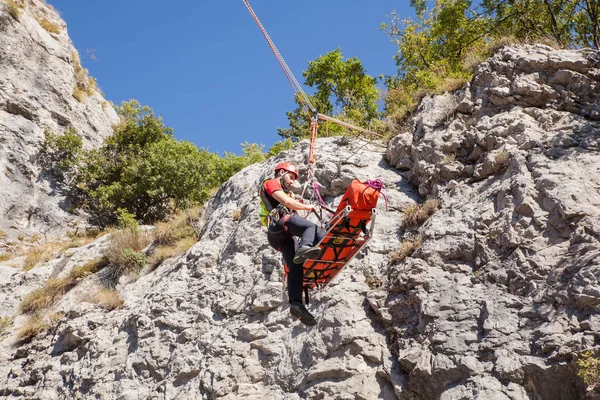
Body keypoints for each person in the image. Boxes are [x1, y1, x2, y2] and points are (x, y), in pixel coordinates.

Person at [259, 162, 325, 326]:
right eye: (291, 177)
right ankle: (306, 247)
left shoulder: (285, 191)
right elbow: (286, 203)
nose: (292, 182)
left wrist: (292, 199)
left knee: (296, 266)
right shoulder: (271, 182)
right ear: (281, 172)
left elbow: (288, 203)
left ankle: (296, 302)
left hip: (278, 237)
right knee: (311, 227)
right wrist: (306, 207)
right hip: (280, 223)